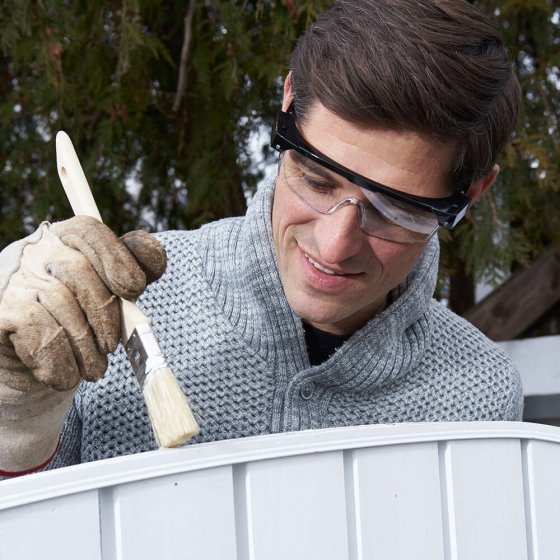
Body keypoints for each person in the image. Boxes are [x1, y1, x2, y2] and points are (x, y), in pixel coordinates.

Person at [0, 0, 523, 477]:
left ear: (472, 193)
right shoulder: (107, 304)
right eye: (317, 181)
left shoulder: (481, 399)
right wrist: (12, 416)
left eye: (399, 210)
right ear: (288, 100)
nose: (335, 244)